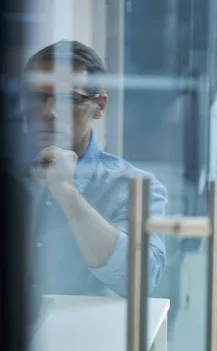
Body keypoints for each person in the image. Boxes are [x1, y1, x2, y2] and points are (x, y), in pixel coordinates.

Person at [19, 40, 167, 296]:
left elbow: (139, 282)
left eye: (68, 99)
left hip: (89, 336)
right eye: (38, 97)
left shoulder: (135, 187)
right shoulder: (10, 175)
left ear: (99, 107)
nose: (49, 112)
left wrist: (66, 191)